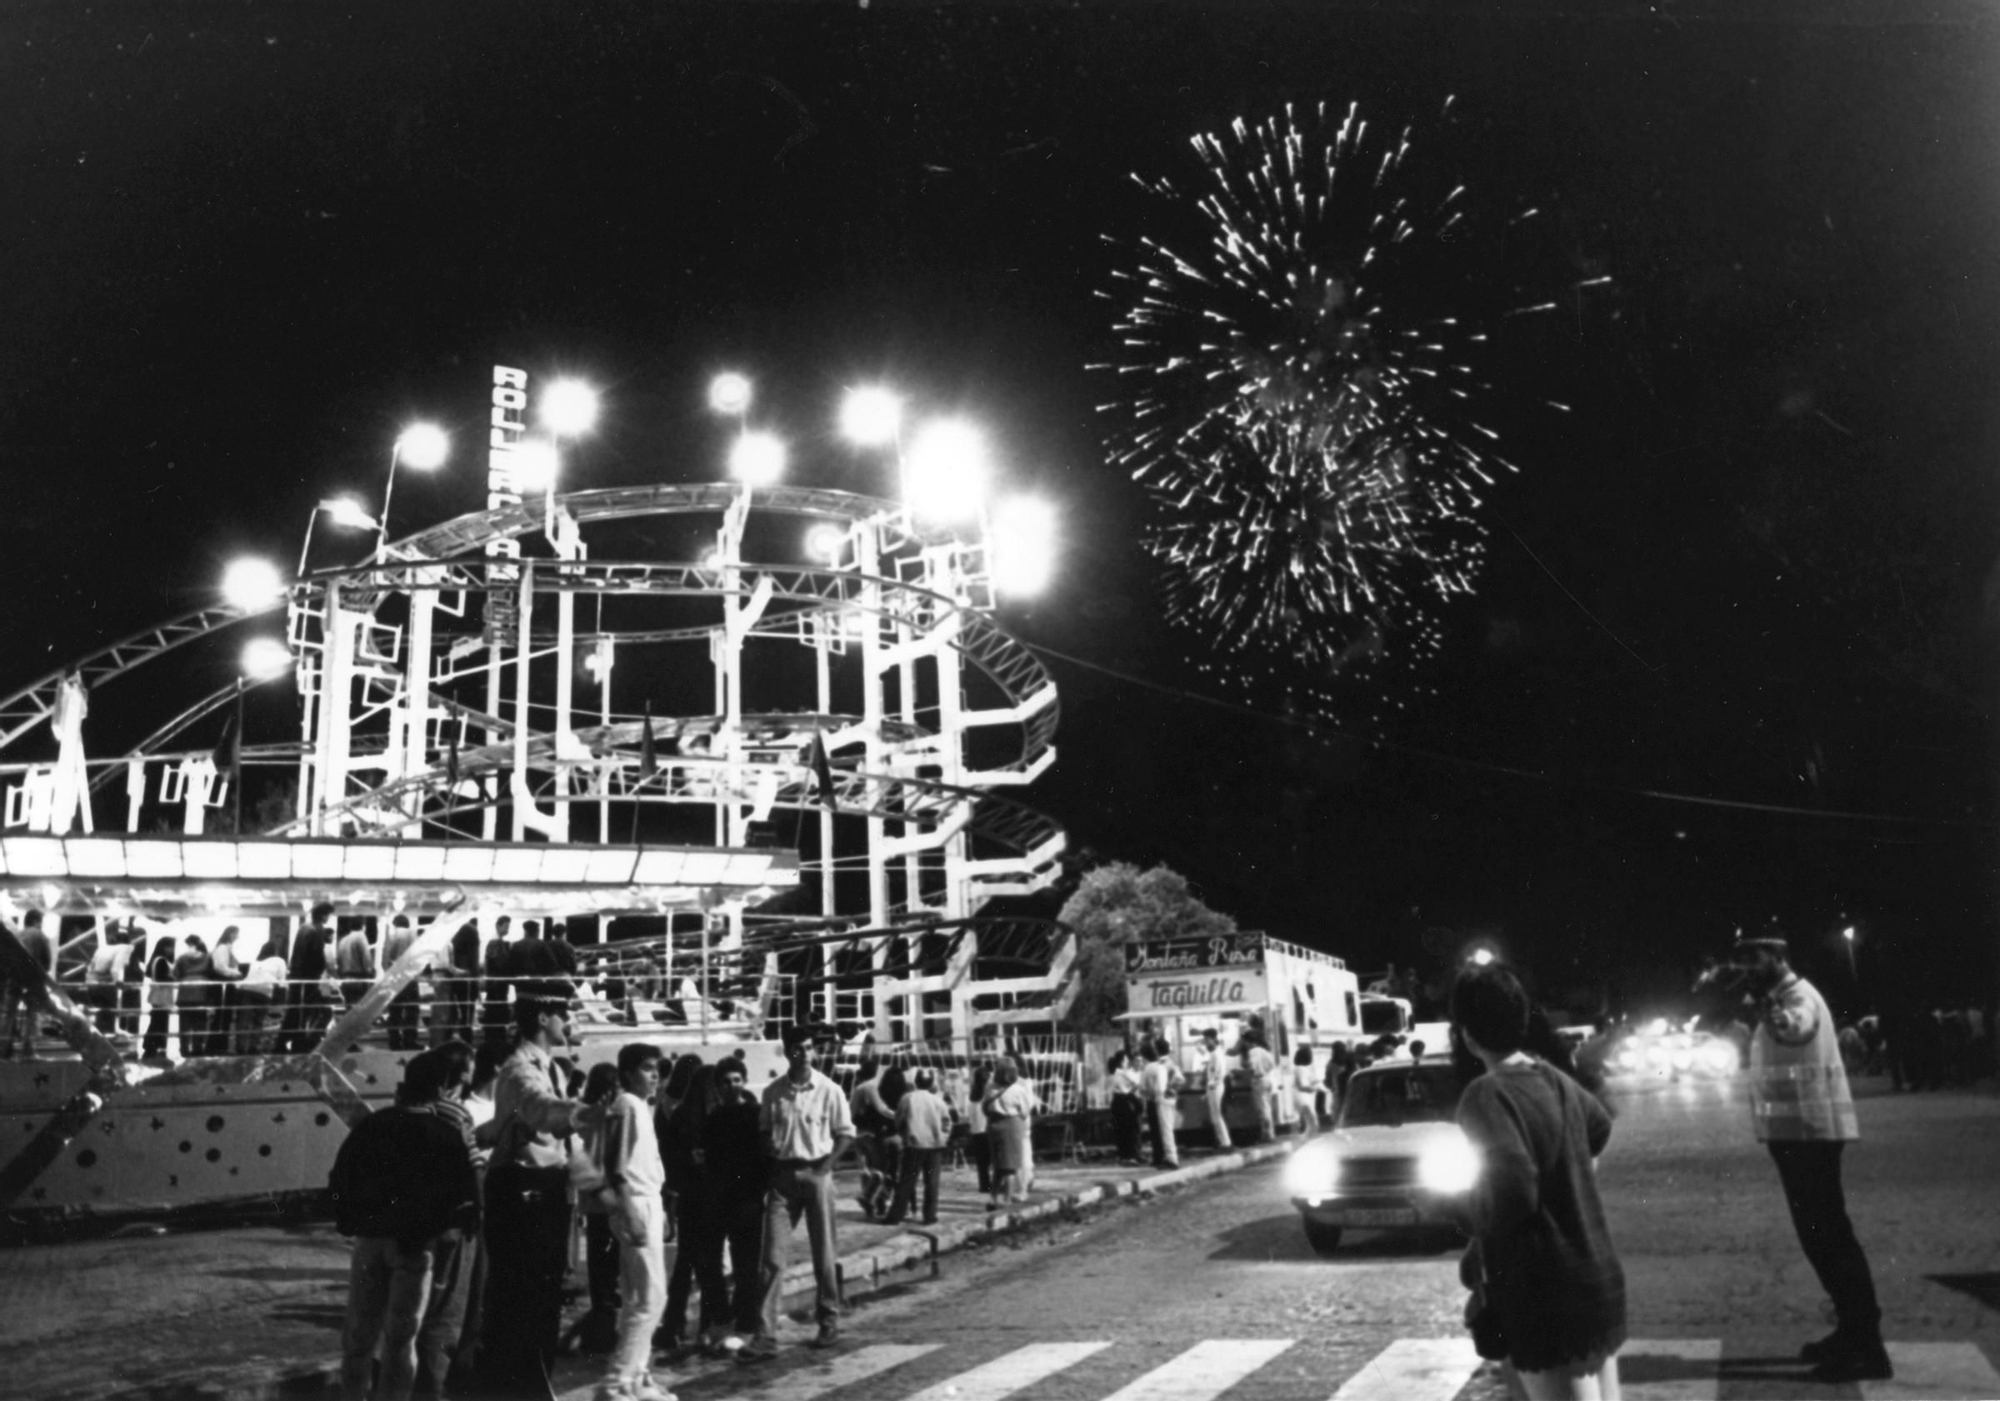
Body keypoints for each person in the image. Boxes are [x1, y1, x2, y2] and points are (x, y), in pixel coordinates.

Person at [1441, 963, 1625, 1401]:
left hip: (1546, 1296)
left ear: (1466, 1035)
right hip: (1595, 1280)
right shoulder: (1553, 1077)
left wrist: (1455, 1206)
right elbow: (1599, 1129)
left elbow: (1513, 1190)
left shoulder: (1486, 1094)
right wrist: (1568, 1182)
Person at [1727, 932, 1892, 1383]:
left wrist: (1766, 1011)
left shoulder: (1797, 997)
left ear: (1779, 956)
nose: (1746, 966)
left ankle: (1867, 1346)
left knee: (1830, 1238)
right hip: (1797, 1135)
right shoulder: (1782, 996)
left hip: (1811, 1136)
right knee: (1821, 1238)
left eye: (1754, 957)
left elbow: (1796, 1027)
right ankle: (1851, 1330)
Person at [328, 1054, 480, 1401]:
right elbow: (461, 1197)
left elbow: (340, 1179)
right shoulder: (444, 1134)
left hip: (369, 1240)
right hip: (415, 1247)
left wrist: (351, 1222)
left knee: (358, 1336)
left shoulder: (374, 1125)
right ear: (440, 1090)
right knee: (400, 1340)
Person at [477, 994, 604, 1399]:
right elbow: (540, 1110)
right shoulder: (520, 1070)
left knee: (543, 1292)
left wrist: (593, 1183)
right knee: (524, 1295)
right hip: (523, 1190)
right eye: (562, 1015)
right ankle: (519, 1385)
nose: (567, 1022)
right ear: (543, 1018)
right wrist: (586, 1114)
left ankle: (529, 1380)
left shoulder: (548, 1068)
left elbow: (562, 1139)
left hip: (544, 1188)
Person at [740, 1026, 854, 1362]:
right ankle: (765, 1335)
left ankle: (829, 1320)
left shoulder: (830, 1090)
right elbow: (763, 1131)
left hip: (817, 1173)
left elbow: (846, 1135)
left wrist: (825, 1168)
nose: (803, 1054)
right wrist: (768, 1150)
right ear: (787, 1052)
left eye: (807, 1048)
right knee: (772, 1258)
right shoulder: (773, 1092)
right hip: (783, 1177)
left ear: (813, 1052)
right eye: (796, 1048)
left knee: (824, 1253)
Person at [594, 1042, 675, 1401]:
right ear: (628, 1073)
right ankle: (615, 1383)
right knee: (650, 1299)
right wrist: (630, 1214)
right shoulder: (627, 1104)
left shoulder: (640, 1107)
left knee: (637, 1298)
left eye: (656, 1068)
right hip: (637, 1203)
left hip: (649, 1201)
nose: (655, 1075)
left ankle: (637, 1377)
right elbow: (617, 1167)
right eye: (646, 1068)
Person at [406, 1042, 484, 1401]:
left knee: (413, 1314)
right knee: (445, 1316)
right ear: (451, 1080)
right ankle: (433, 1391)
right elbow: (473, 1167)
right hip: (453, 1221)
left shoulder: (407, 1111)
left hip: (414, 1224)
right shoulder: (455, 1112)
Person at [658, 1064, 730, 1358]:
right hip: (709, 1200)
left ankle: (674, 1325)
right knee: (709, 1264)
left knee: (687, 1263)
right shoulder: (712, 1117)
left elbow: (670, 1159)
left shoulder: (679, 1115)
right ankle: (709, 1326)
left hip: (688, 1200)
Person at [703, 1055, 767, 1345]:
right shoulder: (713, 1118)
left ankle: (747, 1323)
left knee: (746, 1265)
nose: (732, 1086)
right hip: (720, 1198)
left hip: (748, 1199)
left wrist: (757, 1190)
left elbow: (763, 1156)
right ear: (718, 1086)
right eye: (726, 1082)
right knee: (713, 1263)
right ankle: (724, 1317)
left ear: (744, 1082)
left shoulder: (755, 1113)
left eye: (737, 1080)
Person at [887, 1067, 951, 1225]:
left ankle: (896, 1215)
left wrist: (903, 1134)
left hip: (914, 1146)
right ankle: (929, 1215)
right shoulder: (938, 1100)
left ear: (916, 1082)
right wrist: (942, 1138)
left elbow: (899, 1118)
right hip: (933, 1148)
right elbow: (947, 1122)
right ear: (930, 1083)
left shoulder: (907, 1098)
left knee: (907, 1181)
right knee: (932, 1182)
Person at [983, 1057, 1038, 1205]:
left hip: (993, 1125)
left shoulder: (989, 1087)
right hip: (1012, 1126)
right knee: (1010, 1167)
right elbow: (1025, 1111)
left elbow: (985, 1108)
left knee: (998, 1165)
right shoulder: (1018, 1090)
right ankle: (1007, 1198)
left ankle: (993, 1197)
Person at [0, 911, 53, 1060]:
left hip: (13, 979)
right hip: (32, 981)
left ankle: (2, 1049)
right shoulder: (40, 935)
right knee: (32, 1014)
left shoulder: (17, 935)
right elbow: (47, 962)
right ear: (37, 921)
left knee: (8, 1015)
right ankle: (28, 1050)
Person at [284, 904, 335, 1053]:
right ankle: (305, 1042)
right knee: (318, 1012)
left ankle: (286, 1042)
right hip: (309, 979)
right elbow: (317, 957)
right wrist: (320, 972)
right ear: (323, 915)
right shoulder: (316, 930)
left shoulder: (303, 928)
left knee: (294, 1012)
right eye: (328, 915)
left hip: (297, 977)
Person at [238, 939, 288, 1054]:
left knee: (243, 1021)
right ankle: (253, 1048)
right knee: (258, 1021)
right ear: (275, 951)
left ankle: (240, 1049)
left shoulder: (256, 961)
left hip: (246, 989)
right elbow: (282, 982)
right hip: (264, 991)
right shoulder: (279, 960)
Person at [1139, 1038, 1183, 1168]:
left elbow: (1179, 1080)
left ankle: (1171, 1159)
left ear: (1156, 1050)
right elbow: (1180, 1080)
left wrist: (1167, 1089)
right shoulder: (1169, 1063)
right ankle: (1169, 1157)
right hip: (1169, 1098)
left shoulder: (1162, 1063)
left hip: (1162, 1098)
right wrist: (1172, 1090)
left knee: (1166, 1129)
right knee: (1166, 1129)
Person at [381, 915, 422, 1051]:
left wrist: (389, 973)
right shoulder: (413, 934)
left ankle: (394, 1041)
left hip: (396, 977)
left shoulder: (393, 935)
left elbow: (386, 959)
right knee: (412, 1011)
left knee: (395, 1012)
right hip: (410, 978)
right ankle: (410, 1040)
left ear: (396, 924)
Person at [173, 934, 217, 1061]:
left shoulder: (182, 957)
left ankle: (184, 1049)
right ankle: (197, 1049)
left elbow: (176, 974)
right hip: (202, 990)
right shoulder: (208, 957)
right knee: (200, 1023)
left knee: (184, 1023)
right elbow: (212, 972)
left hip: (185, 990)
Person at [439, 921, 482, 1046]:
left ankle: (451, 1041)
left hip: (456, 982)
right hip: (469, 981)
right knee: (467, 1015)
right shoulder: (472, 935)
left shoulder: (454, 941)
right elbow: (474, 963)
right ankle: (467, 1042)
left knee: (456, 1014)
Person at [208, 925, 248, 1055]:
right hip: (224, 985)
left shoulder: (224, 948)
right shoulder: (223, 948)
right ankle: (218, 1045)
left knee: (223, 1016)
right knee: (223, 1016)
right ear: (231, 934)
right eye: (237, 933)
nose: (238, 936)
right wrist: (236, 973)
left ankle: (219, 1045)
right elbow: (220, 967)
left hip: (224, 985)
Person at [141, 935, 178, 1061]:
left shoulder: (155, 959)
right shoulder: (162, 961)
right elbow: (163, 979)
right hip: (162, 996)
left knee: (156, 1021)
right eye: (171, 947)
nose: (172, 950)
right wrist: (174, 978)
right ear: (165, 947)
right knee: (159, 1022)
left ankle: (152, 1046)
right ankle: (153, 1045)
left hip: (157, 995)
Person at [1106, 1049, 1145, 1164]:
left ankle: (1125, 1156)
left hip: (1117, 1102)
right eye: (1126, 1059)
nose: (1128, 1062)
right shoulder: (1123, 1073)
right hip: (1125, 1102)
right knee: (1130, 1130)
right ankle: (1131, 1156)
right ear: (1122, 1061)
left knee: (1121, 1130)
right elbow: (1136, 1084)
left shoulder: (1114, 1073)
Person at [1197, 1028, 1233, 1150]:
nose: (1206, 1043)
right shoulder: (1213, 1054)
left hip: (1217, 1087)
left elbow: (1220, 1072)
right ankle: (1221, 1141)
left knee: (1217, 1115)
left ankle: (1226, 1142)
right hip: (1212, 1087)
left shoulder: (1218, 1053)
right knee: (1214, 1116)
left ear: (1213, 1039)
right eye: (1205, 1040)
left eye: (1207, 1040)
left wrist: (1213, 1084)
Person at [1242, 1032, 1279, 1142]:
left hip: (1258, 1081)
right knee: (1267, 1107)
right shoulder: (1264, 1051)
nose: (1244, 1044)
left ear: (1248, 1041)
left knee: (1262, 1109)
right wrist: (1264, 1070)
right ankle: (1268, 1134)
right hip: (1267, 1080)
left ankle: (1268, 1135)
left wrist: (1247, 1070)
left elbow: (1252, 1067)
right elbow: (1272, 1064)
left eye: (1244, 1042)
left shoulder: (1252, 1052)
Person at [337, 921, 376, 1010]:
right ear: (363, 926)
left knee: (349, 1009)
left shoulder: (343, 940)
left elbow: (338, 960)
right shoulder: (360, 937)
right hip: (358, 978)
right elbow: (366, 957)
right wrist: (370, 972)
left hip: (345, 979)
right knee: (359, 1009)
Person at [1292, 1044, 1323, 1132]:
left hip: (1303, 1098)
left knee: (1308, 1122)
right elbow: (1302, 1086)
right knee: (1313, 1123)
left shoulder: (1301, 1068)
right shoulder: (1300, 1069)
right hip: (1304, 1098)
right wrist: (1314, 1088)